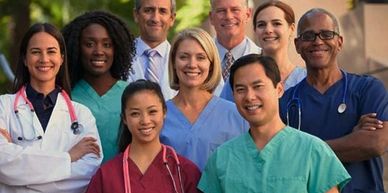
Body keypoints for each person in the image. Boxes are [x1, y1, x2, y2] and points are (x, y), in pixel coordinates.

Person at [198, 54, 351, 193]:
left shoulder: (313, 151)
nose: (249, 96)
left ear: (279, 89)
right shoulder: (222, 158)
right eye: (240, 89)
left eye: (258, 86)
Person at [279, 8, 388, 192]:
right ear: (297, 45)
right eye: (308, 36)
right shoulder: (286, 103)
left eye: (327, 34)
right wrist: (353, 139)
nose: (318, 41)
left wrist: (302, 150)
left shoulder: (367, 89)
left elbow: (376, 143)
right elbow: (282, 159)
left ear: (339, 42)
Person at [0, 23, 102, 193]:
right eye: (35, 52)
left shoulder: (82, 115)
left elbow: (88, 174)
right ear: (25, 59)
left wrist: (19, 177)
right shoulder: (3, 106)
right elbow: (2, 162)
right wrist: (68, 157)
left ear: (62, 58)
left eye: (51, 51)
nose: (44, 59)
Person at [85, 80, 201, 193]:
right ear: (124, 118)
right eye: (135, 113)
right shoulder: (107, 175)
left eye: (152, 112)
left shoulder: (184, 172)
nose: (145, 121)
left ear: (164, 112)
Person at [160, 28, 249, 171]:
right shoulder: (158, 116)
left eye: (201, 57)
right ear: (173, 63)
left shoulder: (236, 116)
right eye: (184, 57)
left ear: (211, 64)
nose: (192, 64)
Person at [62, 10, 135, 163]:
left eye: (107, 44)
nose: (99, 51)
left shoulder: (132, 94)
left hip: (122, 183)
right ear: (76, 47)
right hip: (77, 183)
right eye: (89, 44)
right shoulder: (66, 96)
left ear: (117, 49)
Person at [209, 0, 261, 101]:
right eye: (221, 11)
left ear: (248, 14)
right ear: (211, 17)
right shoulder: (198, 60)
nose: (228, 16)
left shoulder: (262, 58)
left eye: (235, 10)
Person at [128, 0, 177, 100]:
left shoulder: (181, 60)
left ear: (172, 18)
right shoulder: (119, 56)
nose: (155, 18)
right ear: (136, 15)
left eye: (162, 11)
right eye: (148, 10)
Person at [253, 0, 306, 90]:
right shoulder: (241, 76)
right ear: (255, 30)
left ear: (292, 29)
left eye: (276, 23)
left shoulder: (306, 80)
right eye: (261, 25)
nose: (268, 30)